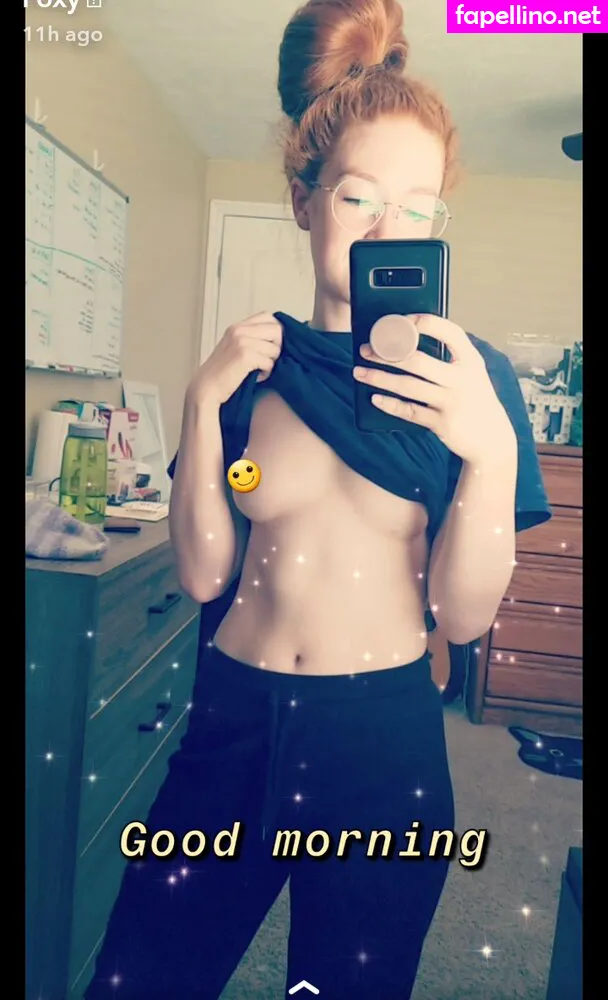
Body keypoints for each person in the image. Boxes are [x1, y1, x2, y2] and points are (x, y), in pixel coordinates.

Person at [85, 1, 551, 998]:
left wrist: (487, 451)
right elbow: (204, 573)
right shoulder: (252, 372)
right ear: (304, 201)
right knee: (143, 974)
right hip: (233, 721)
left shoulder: (471, 384)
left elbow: (463, 616)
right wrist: (203, 399)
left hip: (380, 739)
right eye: (357, 197)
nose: (387, 229)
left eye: (417, 207)